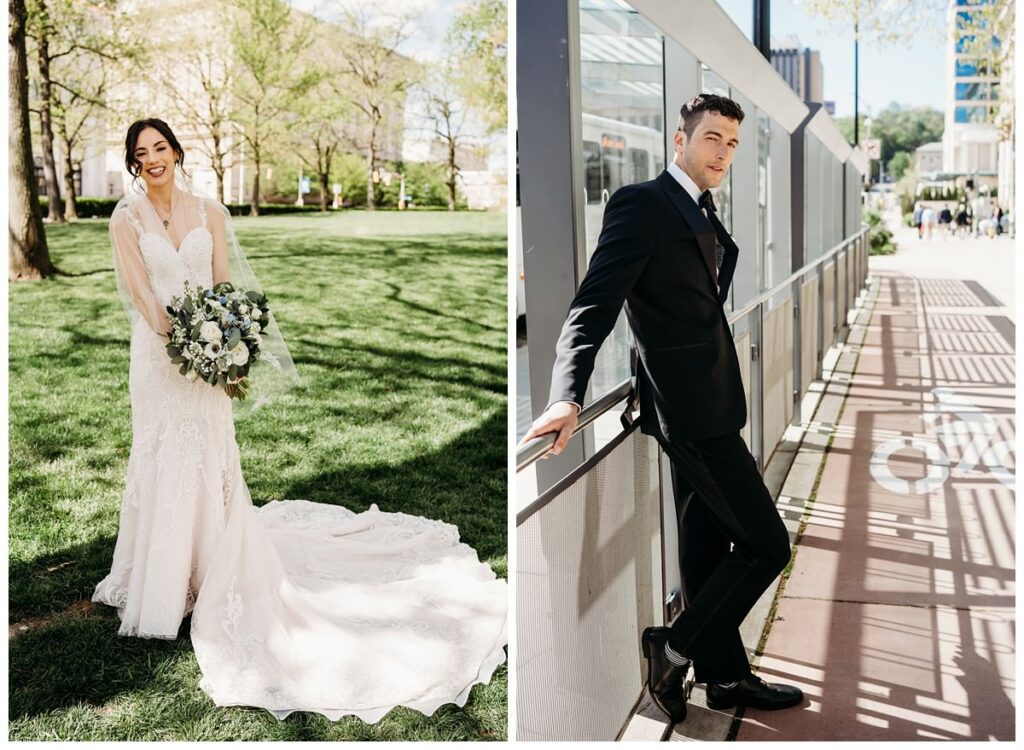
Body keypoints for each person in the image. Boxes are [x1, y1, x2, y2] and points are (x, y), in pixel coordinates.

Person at [94, 118, 507, 722]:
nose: (152, 159)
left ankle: (210, 563)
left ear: (177, 152)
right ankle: (158, 575)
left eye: (160, 148)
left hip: (210, 356)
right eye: (141, 153)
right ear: (134, 164)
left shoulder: (212, 211)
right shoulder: (124, 219)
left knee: (210, 456)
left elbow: (224, 287)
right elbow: (142, 294)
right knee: (163, 455)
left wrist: (224, 349)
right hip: (160, 362)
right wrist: (186, 347)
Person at [522, 94, 803, 723]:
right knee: (766, 544)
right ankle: (672, 650)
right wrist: (567, 394)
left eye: (732, 144)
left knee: (705, 549)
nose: (723, 153)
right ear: (679, 140)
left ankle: (726, 680)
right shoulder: (641, 204)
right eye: (711, 139)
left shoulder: (697, 204)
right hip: (689, 416)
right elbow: (592, 306)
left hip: (711, 402)